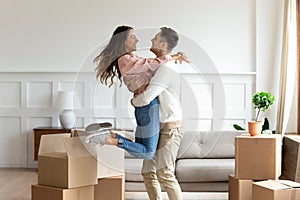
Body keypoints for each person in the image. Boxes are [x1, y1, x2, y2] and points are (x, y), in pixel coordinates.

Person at [85, 25, 184, 160]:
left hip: (147, 107)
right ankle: (107, 138)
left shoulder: (130, 58)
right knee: (148, 152)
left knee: (143, 147)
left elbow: (151, 67)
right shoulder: (125, 59)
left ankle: (110, 135)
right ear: (122, 41)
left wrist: (172, 58)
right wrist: (172, 57)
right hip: (148, 106)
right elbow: (151, 64)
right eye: (132, 36)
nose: (137, 40)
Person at [131, 27, 184, 200]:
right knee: (148, 172)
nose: (151, 40)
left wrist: (133, 101)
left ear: (163, 44)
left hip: (170, 128)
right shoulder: (161, 66)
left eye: (155, 38)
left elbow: (146, 98)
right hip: (156, 127)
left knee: (165, 174)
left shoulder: (166, 69)